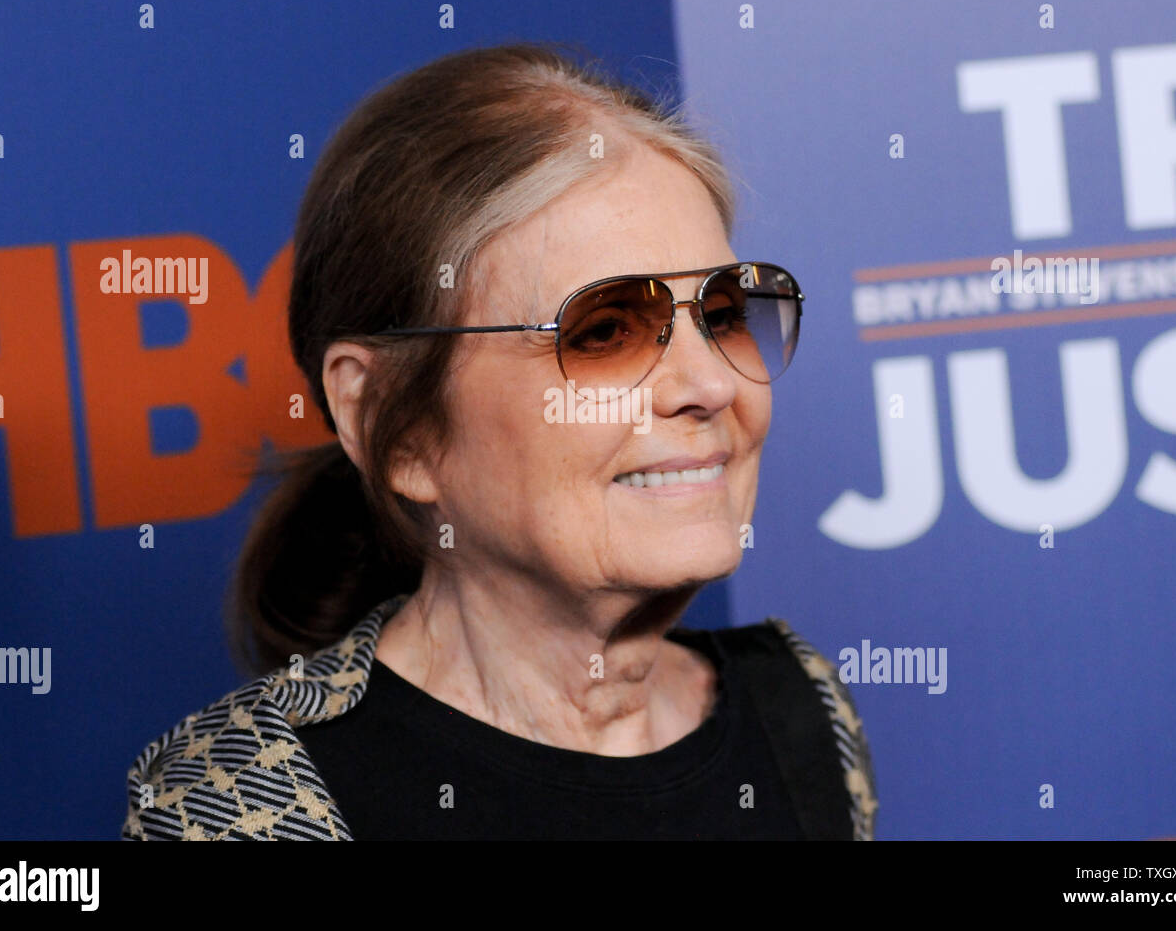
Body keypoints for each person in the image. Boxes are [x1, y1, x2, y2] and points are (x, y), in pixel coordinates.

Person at [120, 41, 877, 841]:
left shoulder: (799, 705)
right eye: (607, 329)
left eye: (725, 313)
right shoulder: (249, 804)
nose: (714, 384)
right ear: (392, 423)